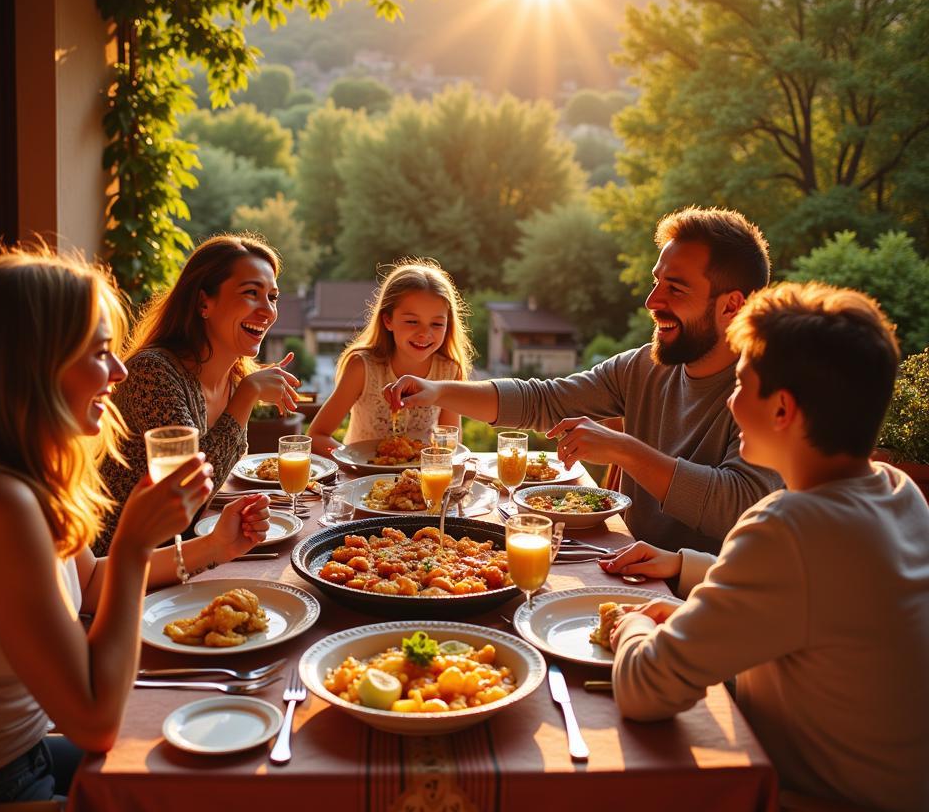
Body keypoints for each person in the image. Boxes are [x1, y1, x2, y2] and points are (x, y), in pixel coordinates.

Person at [0, 249, 271, 812]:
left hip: (14, 765)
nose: (121, 370)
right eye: (99, 352)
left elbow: (93, 585)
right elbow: (97, 721)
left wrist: (212, 548)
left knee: (203, 767)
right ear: (33, 362)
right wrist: (133, 543)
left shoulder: (14, 468)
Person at [602, 282, 929, 812]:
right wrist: (687, 568)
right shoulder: (894, 490)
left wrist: (631, 624)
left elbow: (646, 690)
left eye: (740, 382)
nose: (728, 398)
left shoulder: (785, 527)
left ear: (782, 410)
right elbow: (820, 596)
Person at [385, 207, 781, 553]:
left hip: (696, 599)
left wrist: (625, 451)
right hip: (622, 565)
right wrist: (437, 392)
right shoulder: (643, 366)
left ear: (732, 305)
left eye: (675, 288)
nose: (652, 301)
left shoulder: (769, 393)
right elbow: (544, 401)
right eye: (656, 281)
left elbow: (739, 506)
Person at [94, 233, 299, 554]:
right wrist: (247, 395)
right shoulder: (154, 372)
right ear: (204, 302)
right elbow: (190, 491)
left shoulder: (234, 375)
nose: (268, 311)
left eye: (272, 297)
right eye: (251, 293)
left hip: (185, 548)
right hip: (120, 563)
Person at [307, 259, 473, 457]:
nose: (424, 333)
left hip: (419, 481)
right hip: (361, 480)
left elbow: (450, 445)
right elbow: (317, 435)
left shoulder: (449, 370)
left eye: (437, 324)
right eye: (412, 321)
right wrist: (349, 458)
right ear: (388, 320)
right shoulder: (362, 367)